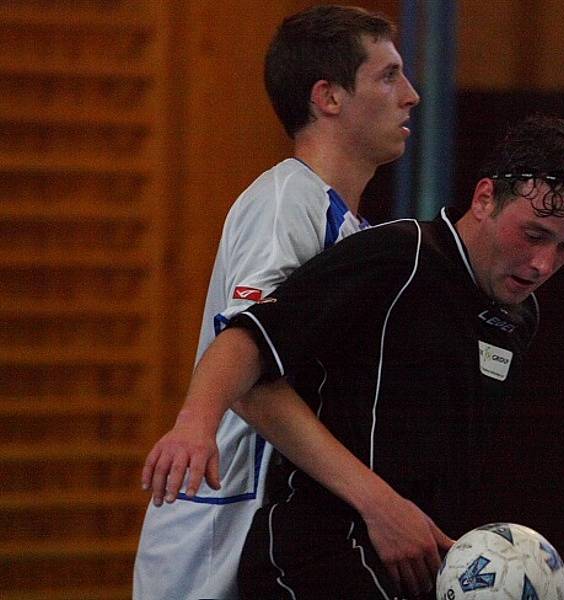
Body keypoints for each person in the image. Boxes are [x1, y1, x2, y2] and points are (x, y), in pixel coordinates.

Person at [152, 114, 564, 599]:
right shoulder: (400, 257)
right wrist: (195, 424)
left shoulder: (519, 316)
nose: (543, 264)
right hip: (318, 561)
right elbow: (249, 339)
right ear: (484, 199)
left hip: (413, 571)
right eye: (533, 235)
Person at [133, 5, 419, 599]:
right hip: (219, 539)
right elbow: (246, 372)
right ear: (328, 97)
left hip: (273, 528)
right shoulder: (288, 201)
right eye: (388, 76)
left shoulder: (351, 229)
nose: (411, 95)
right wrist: (377, 501)